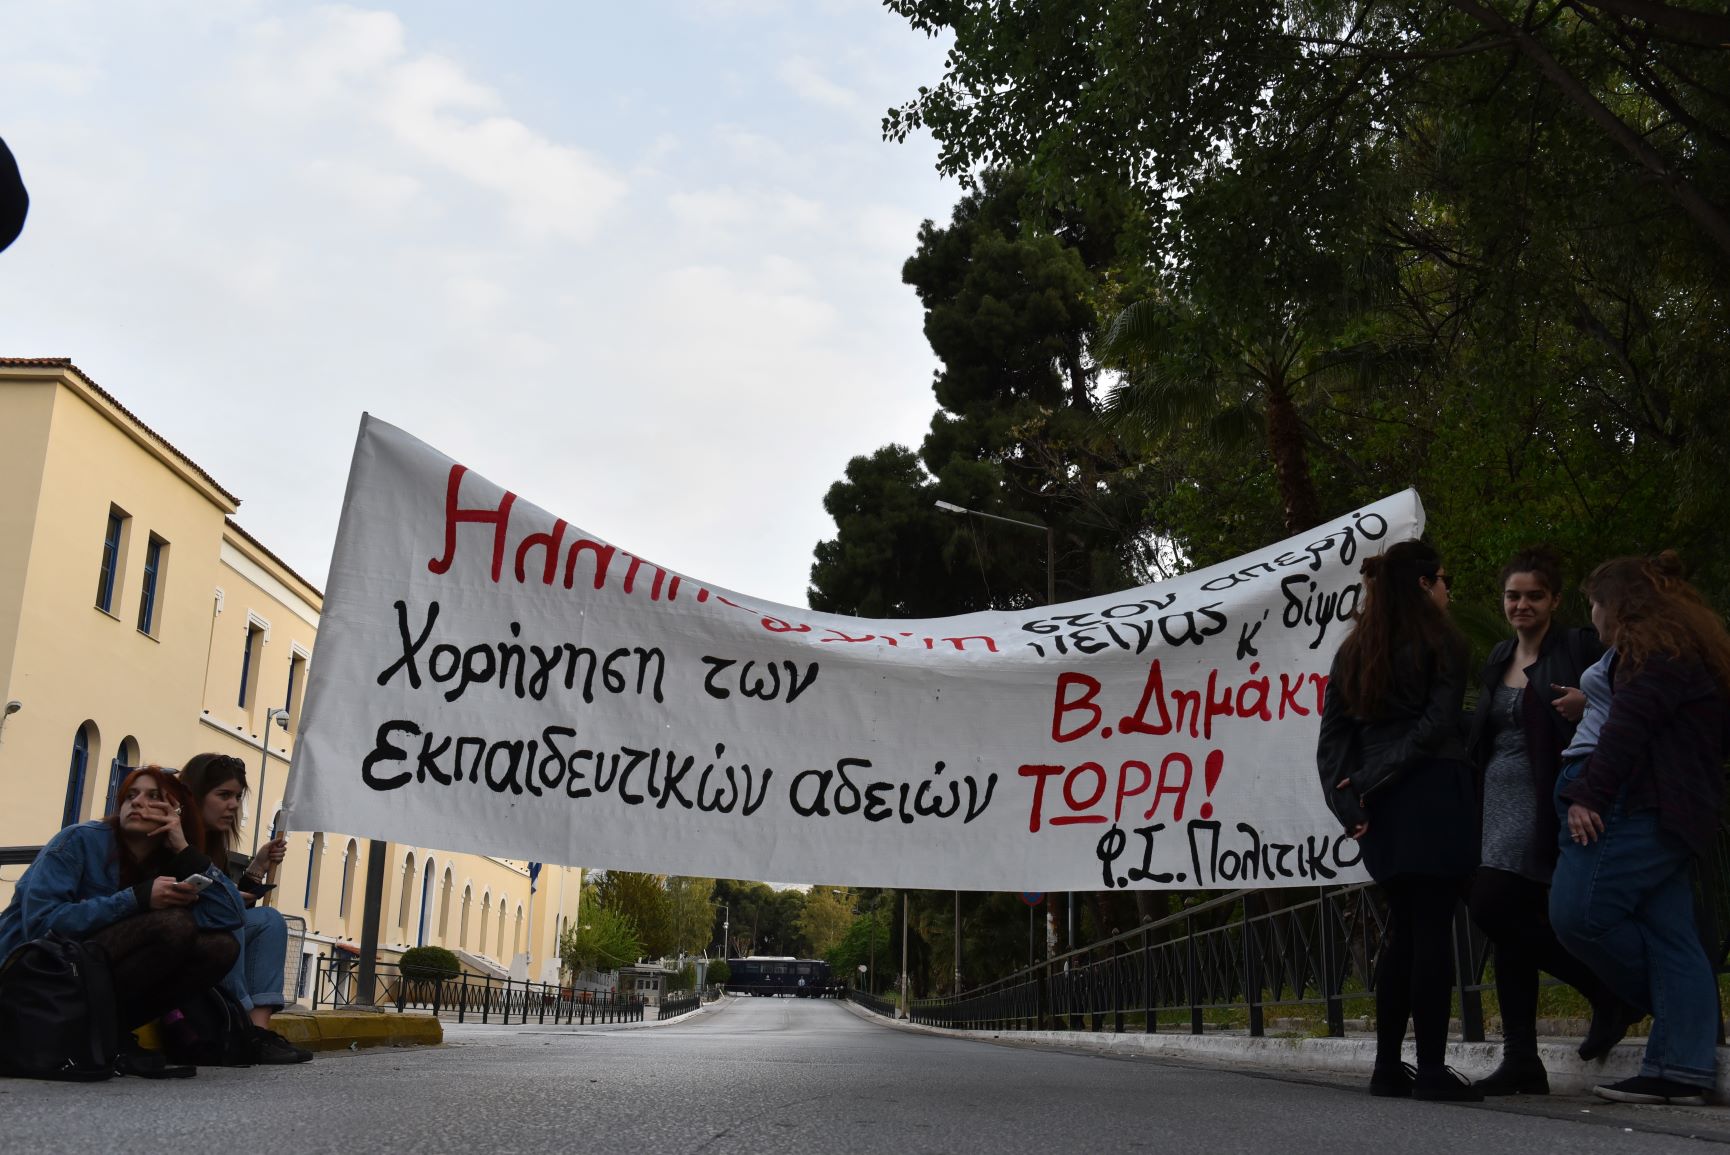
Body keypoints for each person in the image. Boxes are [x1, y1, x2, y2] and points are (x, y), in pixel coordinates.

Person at [1551, 552, 1730, 1105]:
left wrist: (1589, 794)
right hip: (1650, 800)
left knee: (1577, 913)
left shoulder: (1655, 653)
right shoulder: (1674, 649)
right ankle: (1680, 1068)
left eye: (1595, 604)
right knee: (1670, 933)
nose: (1593, 617)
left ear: (1619, 606)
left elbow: (1629, 728)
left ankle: (1673, 1015)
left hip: (1634, 801)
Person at [1316, 539, 1481, 1102]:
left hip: (1381, 810)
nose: (1448, 591)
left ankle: (1389, 1067)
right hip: (1432, 790)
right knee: (1431, 927)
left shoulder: (1353, 650)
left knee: (1403, 931)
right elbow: (1436, 727)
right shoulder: (1444, 643)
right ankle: (1431, 1069)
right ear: (1423, 584)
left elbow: (1332, 740)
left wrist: (1351, 801)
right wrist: (1368, 784)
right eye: (1443, 580)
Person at [1463, 547, 1632, 1094]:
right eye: (1513, 595)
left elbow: (1633, 694)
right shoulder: (1496, 656)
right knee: (1508, 931)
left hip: (1549, 797)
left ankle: (1607, 991)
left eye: (1534, 595)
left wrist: (1591, 704)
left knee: (1489, 903)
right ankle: (1521, 1060)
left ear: (1555, 600)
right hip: (1495, 802)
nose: (1522, 604)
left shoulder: (1580, 646)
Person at [0, 766, 243, 1077]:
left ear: (177, 811)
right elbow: (41, 923)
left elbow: (231, 915)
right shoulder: (79, 840)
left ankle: (110, 1034)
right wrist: (138, 899)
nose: (137, 802)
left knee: (220, 947)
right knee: (173, 925)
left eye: (153, 796)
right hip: (36, 979)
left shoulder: (170, 860)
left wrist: (184, 850)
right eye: (131, 795)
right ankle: (105, 1037)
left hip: (90, 977)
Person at [175, 752, 312, 1064]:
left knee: (269, 920)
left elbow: (230, 896)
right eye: (223, 795)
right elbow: (220, 904)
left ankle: (258, 1031)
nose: (233, 805)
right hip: (178, 939)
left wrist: (258, 867)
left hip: (209, 932)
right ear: (195, 796)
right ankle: (236, 1023)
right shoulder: (174, 838)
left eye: (237, 796)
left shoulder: (212, 842)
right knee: (230, 920)